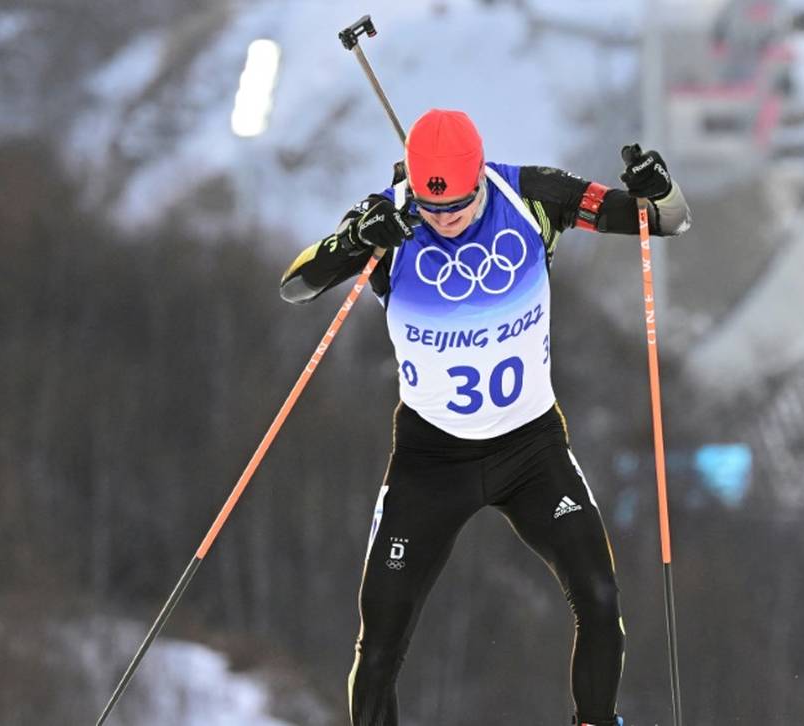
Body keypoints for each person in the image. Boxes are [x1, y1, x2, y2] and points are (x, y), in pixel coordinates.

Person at [279, 108, 691, 726]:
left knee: (599, 599)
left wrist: (659, 189)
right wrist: (359, 239)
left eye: (458, 205)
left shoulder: (531, 196)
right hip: (430, 462)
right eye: (432, 207)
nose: (444, 220)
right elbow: (297, 284)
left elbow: (666, 220)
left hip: (531, 451)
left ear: (479, 177)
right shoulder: (390, 216)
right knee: (381, 641)